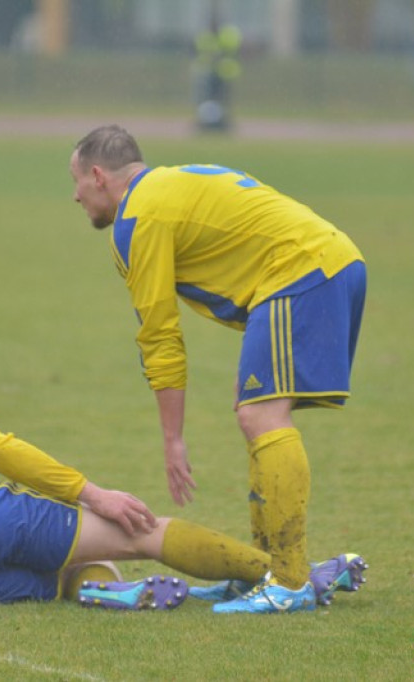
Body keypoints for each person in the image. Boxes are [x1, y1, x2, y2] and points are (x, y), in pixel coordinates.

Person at [0, 342, 365, 611]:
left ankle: (107, 591)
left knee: (67, 570)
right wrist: (92, 493)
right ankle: (290, 576)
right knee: (138, 530)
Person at [68, 125, 368, 613]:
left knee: (262, 417)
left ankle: (288, 582)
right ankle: (267, 569)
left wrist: (172, 439)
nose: (75, 196)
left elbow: (160, 336)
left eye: (77, 182)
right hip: (327, 261)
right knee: (251, 409)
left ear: (98, 176)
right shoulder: (179, 180)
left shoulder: (137, 220)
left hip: (301, 271)